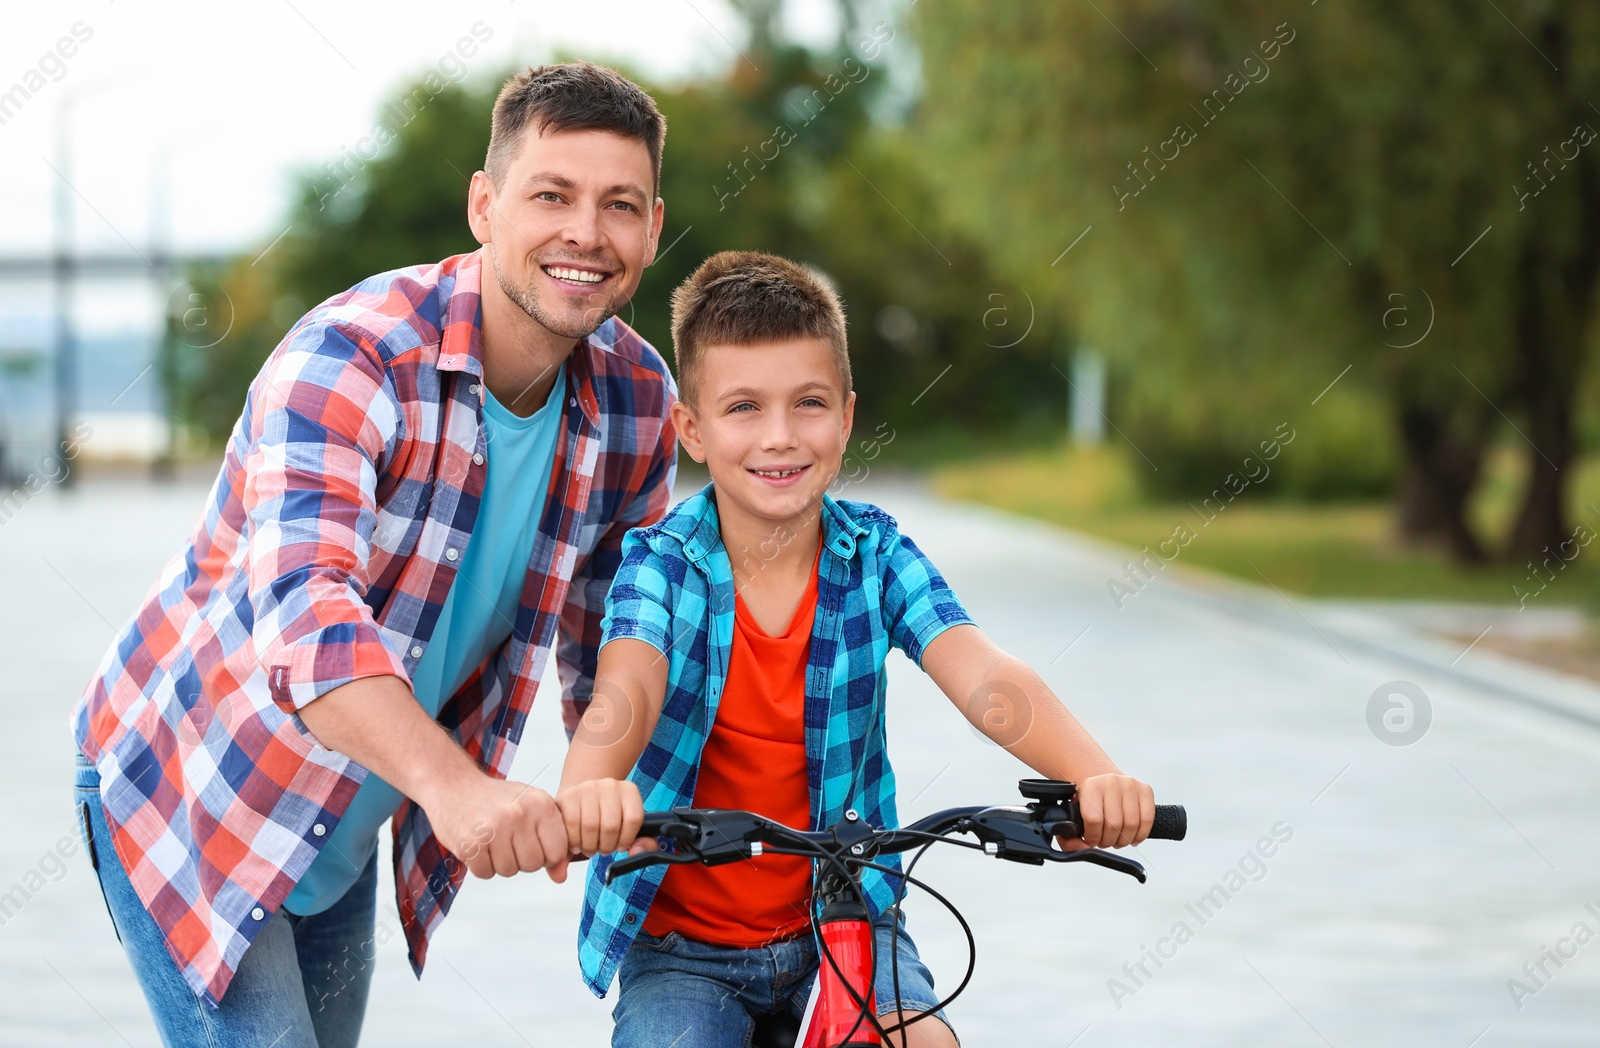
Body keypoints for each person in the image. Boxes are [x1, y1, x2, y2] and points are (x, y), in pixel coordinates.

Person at [68, 62, 677, 1047]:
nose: (586, 233)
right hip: (196, 790)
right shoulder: (349, 358)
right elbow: (310, 620)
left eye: (619, 204)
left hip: (341, 822)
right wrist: (458, 789)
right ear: (485, 205)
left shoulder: (638, 398)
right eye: (550, 195)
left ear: (652, 227)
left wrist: (613, 786)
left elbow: (623, 636)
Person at [556, 251, 1158, 1047]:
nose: (779, 436)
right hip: (684, 949)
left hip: (849, 920)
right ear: (692, 431)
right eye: (743, 407)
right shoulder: (662, 563)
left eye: (808, 403)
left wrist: (1094, 776)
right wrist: (590, 789)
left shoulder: (875, 554)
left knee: (925, 1040)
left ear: (844, 418)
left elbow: (983, 674)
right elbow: (625, 689)